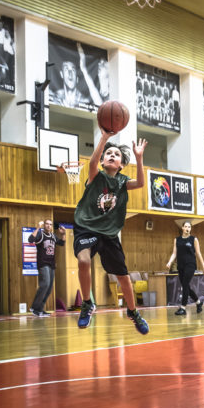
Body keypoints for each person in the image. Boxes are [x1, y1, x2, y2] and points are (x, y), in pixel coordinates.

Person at [73, 128, 149, 334]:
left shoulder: (123, 182)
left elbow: (141, 183)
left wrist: (139, 158)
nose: (112, 155)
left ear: (121, 164)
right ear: (102, 160)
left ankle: (133, 312)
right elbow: (92, 162)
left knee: (123, 277)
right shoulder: (95, 175)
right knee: (83, 261)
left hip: (109, 234)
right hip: (86, 226)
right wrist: (104, 138)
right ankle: (87, 304)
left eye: (116, 154)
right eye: (108, 153)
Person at [166, 221, 204, 315]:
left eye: (189, 227)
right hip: (180, 266)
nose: (187, 228)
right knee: (186, 287)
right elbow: (174, 253)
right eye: (185, 226)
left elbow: (198, 253)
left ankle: (183, 308)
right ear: (182, 228)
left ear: (190, 229)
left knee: (185, 284)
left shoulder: (194, 239)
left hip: (190, 265)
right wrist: (169, 262)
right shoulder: (177, 240)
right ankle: (198, 302)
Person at [29, 219, 66, 317]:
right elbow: (30, 239)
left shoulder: (53, 236)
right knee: (45, 284)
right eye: (47, 224)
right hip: (43, 263)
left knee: (49, 288)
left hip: (51, 264)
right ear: (44, 225)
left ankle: (40, 309)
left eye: (50, 224)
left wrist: (63, 234)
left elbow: (62, 243)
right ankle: (34, 308)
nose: (49, 226)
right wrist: (38, 227)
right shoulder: (40, 234)